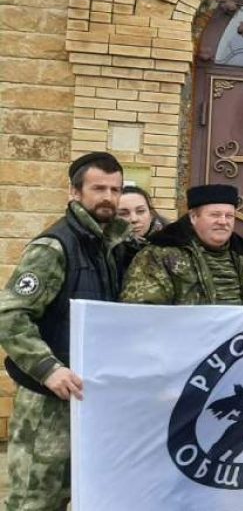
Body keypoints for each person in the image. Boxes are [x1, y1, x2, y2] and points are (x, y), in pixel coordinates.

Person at [0, 152, 128, 511]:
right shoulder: (54, 247)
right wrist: (48, 368)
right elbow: (10, 315)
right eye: (98, 188)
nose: (108, 197)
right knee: (35, 501)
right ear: (75, 192)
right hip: (47, 403)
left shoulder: (110, 247)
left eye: (115, 189)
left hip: (90, 397)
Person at [122, 184, 243, 305]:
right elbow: (142, 309)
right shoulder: (159, 254)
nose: (223, 221)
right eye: (215, 215)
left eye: (229, 216)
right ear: (194, 217)